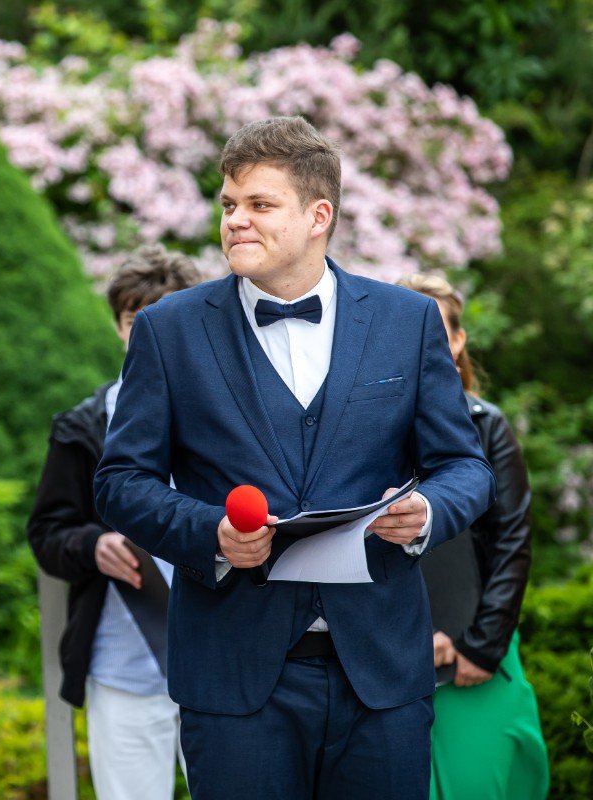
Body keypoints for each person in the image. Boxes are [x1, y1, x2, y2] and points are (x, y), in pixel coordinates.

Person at [93, 116, 495, 799]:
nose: (235, 221)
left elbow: (467, 467)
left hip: (382, 676)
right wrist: (211, 534)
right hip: (232, 676)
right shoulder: (169, 329)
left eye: (259, 204)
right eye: (228, 204)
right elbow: (120, 482)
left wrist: (427, 510)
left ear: (318, 216)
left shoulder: (407, 321)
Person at [27, 244, 201, 800]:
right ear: (118, 326)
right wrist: (93, 545)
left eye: (165, 318)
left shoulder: (236, 416)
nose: (149, 333)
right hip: (122, 663)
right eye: (134, 320)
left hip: (222, 656)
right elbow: (47, 533)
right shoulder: (82, 426)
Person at [397, 273, 550, 800]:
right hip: (389, 662)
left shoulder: (488, 428)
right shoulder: (359, 431)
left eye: (434, 330)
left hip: (474, 656)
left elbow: (511, 546)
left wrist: (480, 649)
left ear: (459, 341)